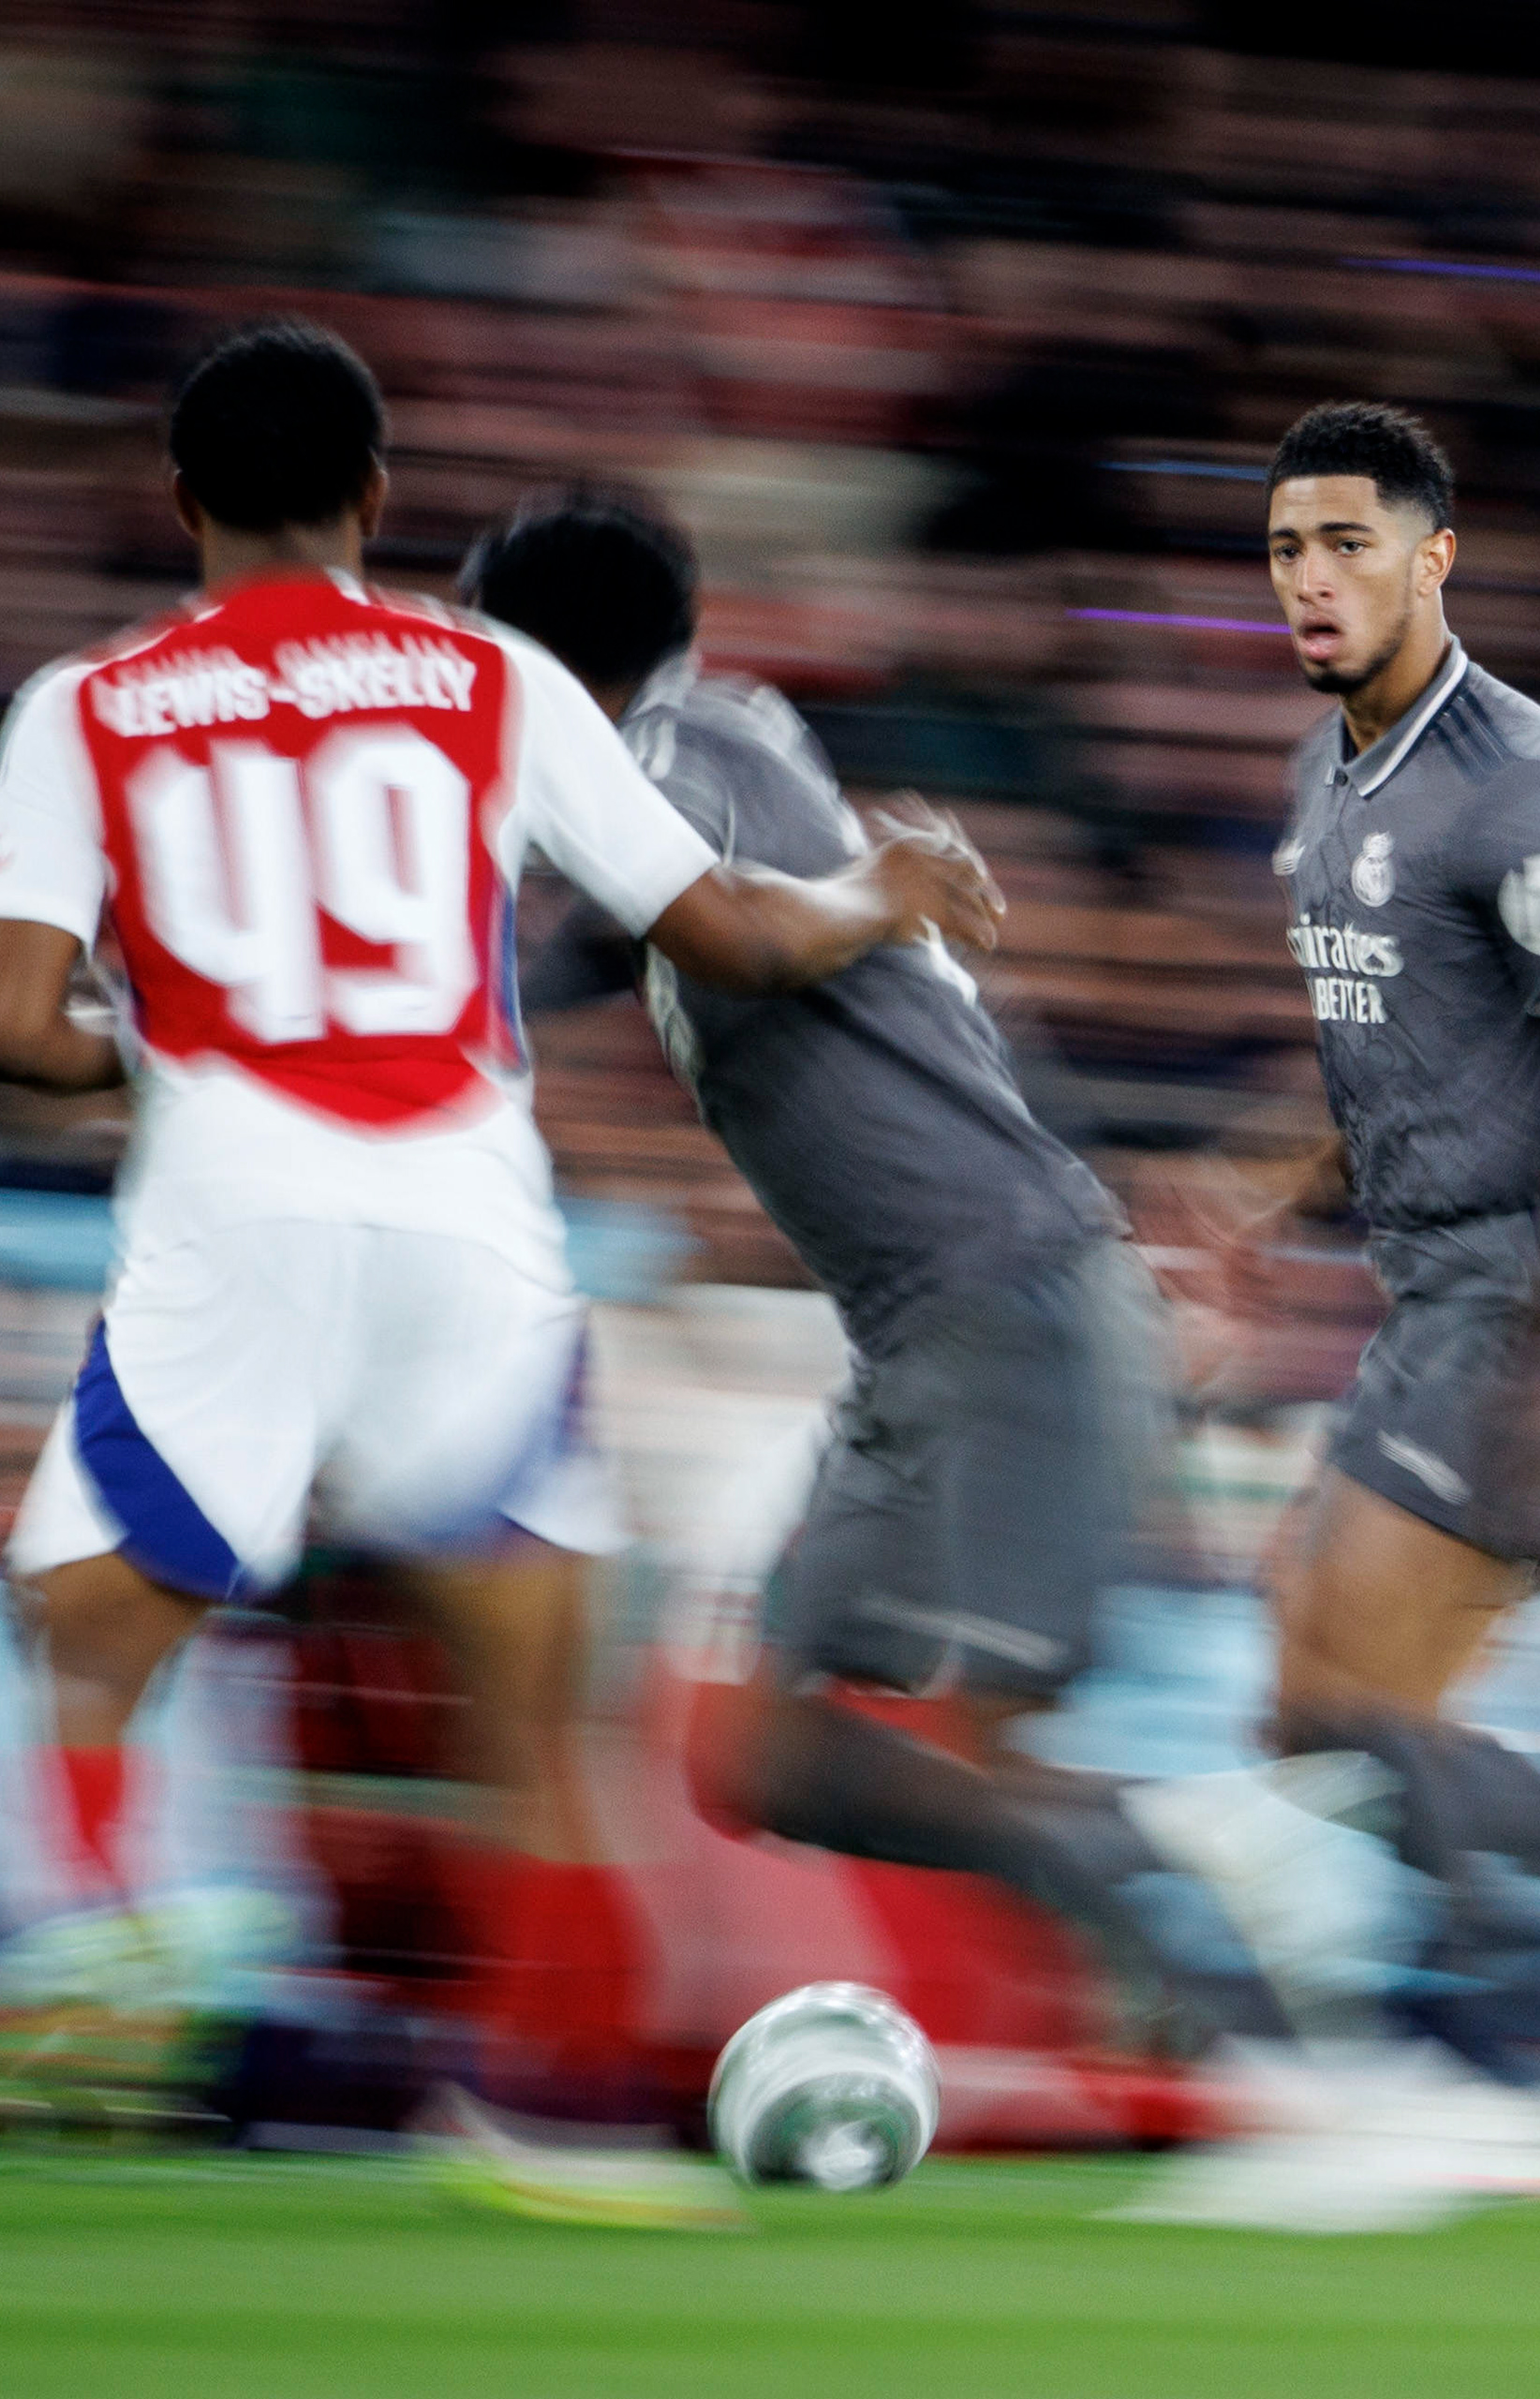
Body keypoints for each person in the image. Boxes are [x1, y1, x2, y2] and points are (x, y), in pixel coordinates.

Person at [0, 320, 999, 2216]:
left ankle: (87, 1985)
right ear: (374, 499)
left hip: (234, 1213)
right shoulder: (492, 673)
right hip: (465, 1221)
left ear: (181, 505)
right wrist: (882, 889)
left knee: (86, 1648)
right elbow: (732, 932)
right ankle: (541, 2113)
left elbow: (4, 1025)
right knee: (533, 1710)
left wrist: (165, 1042)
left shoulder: (81, 705)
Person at [458, 488, 1252, 2061]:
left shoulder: (686, 758)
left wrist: (872, 894)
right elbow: (502, 981)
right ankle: (1187, 1910)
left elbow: (745, 926)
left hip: (1007, 1298)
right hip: (932, 1331)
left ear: (540, 667)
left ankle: (1237, 1989)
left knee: (989, 1742)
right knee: (766, 1759)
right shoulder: (672, 796)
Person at [1157, 400, 1540, 2053]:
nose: (1311, 582)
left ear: (1432, 558)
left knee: (1354, 1717)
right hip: (1442, 1292)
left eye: (1348, 544)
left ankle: (1511, 2036)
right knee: (1302, 1705)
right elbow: (1419, 1054)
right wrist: (1268, 1179)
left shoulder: (1515, 783)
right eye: (1285, 551)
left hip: (1538, 1296)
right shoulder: (1325, 776)